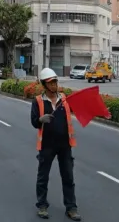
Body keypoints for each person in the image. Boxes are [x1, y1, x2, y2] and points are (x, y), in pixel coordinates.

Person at [31, 68, 81, 221]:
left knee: (68, 177)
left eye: (55, 82)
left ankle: (71, 208)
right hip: (47, 145)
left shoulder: (64, 99)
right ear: (44, 85)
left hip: (65, 145)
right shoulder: (38, 101)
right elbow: (34, 122)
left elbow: (78, 109)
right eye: (51, 83)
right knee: (43, 177)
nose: (54, 85)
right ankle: (42, 205)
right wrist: (40, 120)